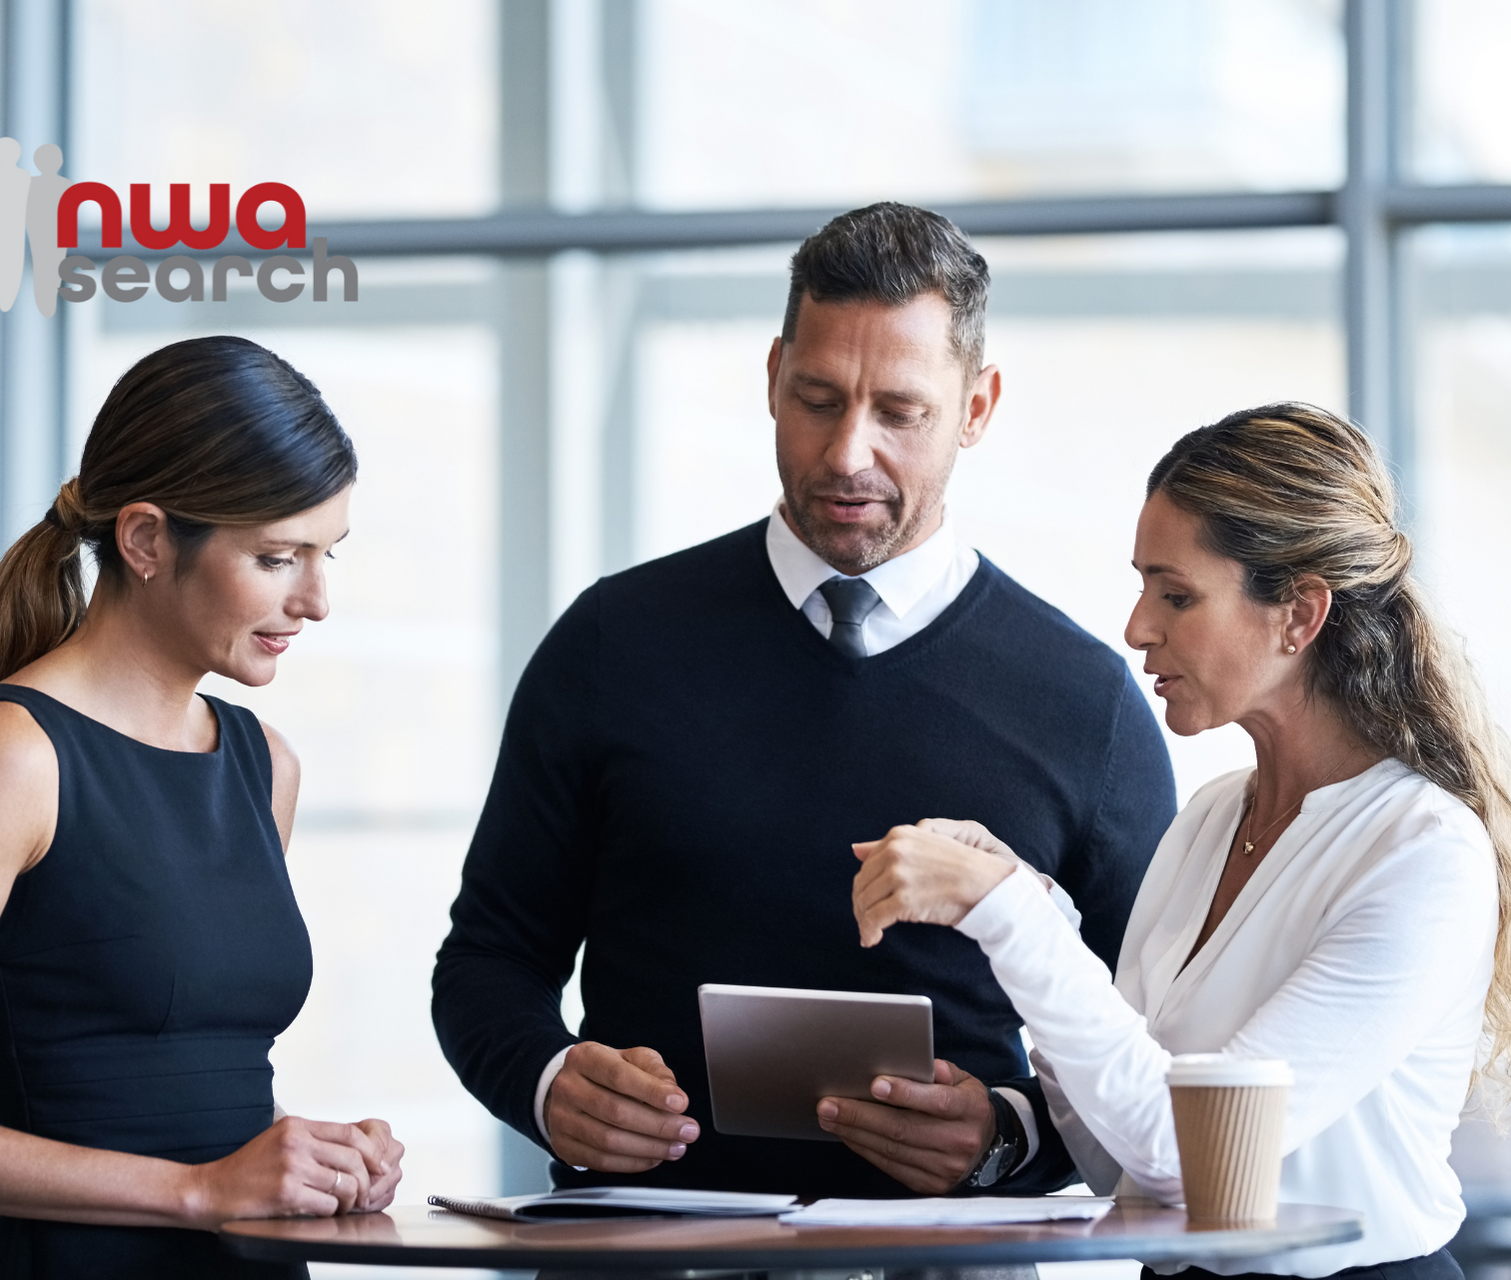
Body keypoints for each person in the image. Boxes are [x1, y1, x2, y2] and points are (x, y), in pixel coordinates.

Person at [433, 202, 1177, 1199]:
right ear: (773, 376)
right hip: (644, 1266)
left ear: (978, 407)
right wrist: (549, 1079)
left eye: (900, 412)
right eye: (818, 398)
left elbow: (1158, 1048)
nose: (846, 455)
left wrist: (1008, 1136)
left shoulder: (1083, 697)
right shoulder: (612, 642)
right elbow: (487, 959)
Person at [850, 403, 1511, 1277]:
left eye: (1177, 595)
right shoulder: (1207, 822)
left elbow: (1190, 1156)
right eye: (1143, 587)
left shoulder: (1423, 852)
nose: (1137, 628)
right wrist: (1025, 895)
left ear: (1299, 616)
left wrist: (1008, 913)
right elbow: (1121, 1150)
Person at [0, 336, 404, 1280]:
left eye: (326, 554)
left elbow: (188, 1088)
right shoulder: (7, 756)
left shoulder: (265, 766)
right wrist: (199, 1191)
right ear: (144, 540)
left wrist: (312, 1160)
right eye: (278, 556)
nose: (317, 600)